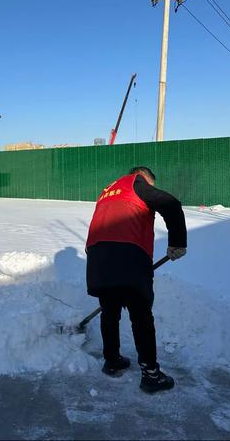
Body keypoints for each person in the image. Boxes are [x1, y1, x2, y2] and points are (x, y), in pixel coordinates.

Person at [85, 166, 187, 393]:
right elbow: (170, 204)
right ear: (145, 178)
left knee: (109, 311)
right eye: (151, 184)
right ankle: (151, 374)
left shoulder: (108, 190)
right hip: (128, 255)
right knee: (141, 316)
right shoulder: (137, 184)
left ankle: (112, 361)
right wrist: (178, 241)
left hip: (97, 257)